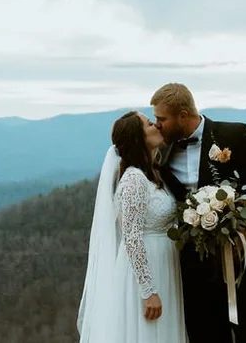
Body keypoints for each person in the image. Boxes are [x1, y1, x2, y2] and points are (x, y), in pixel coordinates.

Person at [152, 83, 246, 343]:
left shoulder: (234, 135)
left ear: (182, 115)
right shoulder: (162, 150)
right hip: (192, 267)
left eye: (161, 118)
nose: (157, 124)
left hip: (241, 263)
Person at [77, 110, 188, 343]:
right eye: (149, 124)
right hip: (146, 274)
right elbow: (132, 237)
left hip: (165, 267)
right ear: (138, 137)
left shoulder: (153, 174)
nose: (156, 126)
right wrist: (148, 291)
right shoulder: (133, 179)